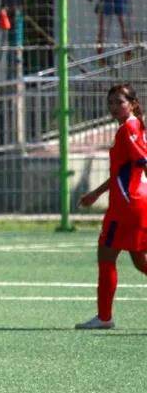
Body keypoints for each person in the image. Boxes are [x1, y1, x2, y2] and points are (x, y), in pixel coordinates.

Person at [75, 83, 147, 329]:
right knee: (139, 261)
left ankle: (104, 317)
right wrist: (95, 193)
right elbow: (122, 171)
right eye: (111, 103)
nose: (114, 107)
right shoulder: (129, 128)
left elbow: (143, 161)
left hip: (127, 206)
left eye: (120, 102)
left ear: (133, 104)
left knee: (106, 255)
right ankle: (103, 317)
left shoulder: (130, 128)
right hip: (131, 203)